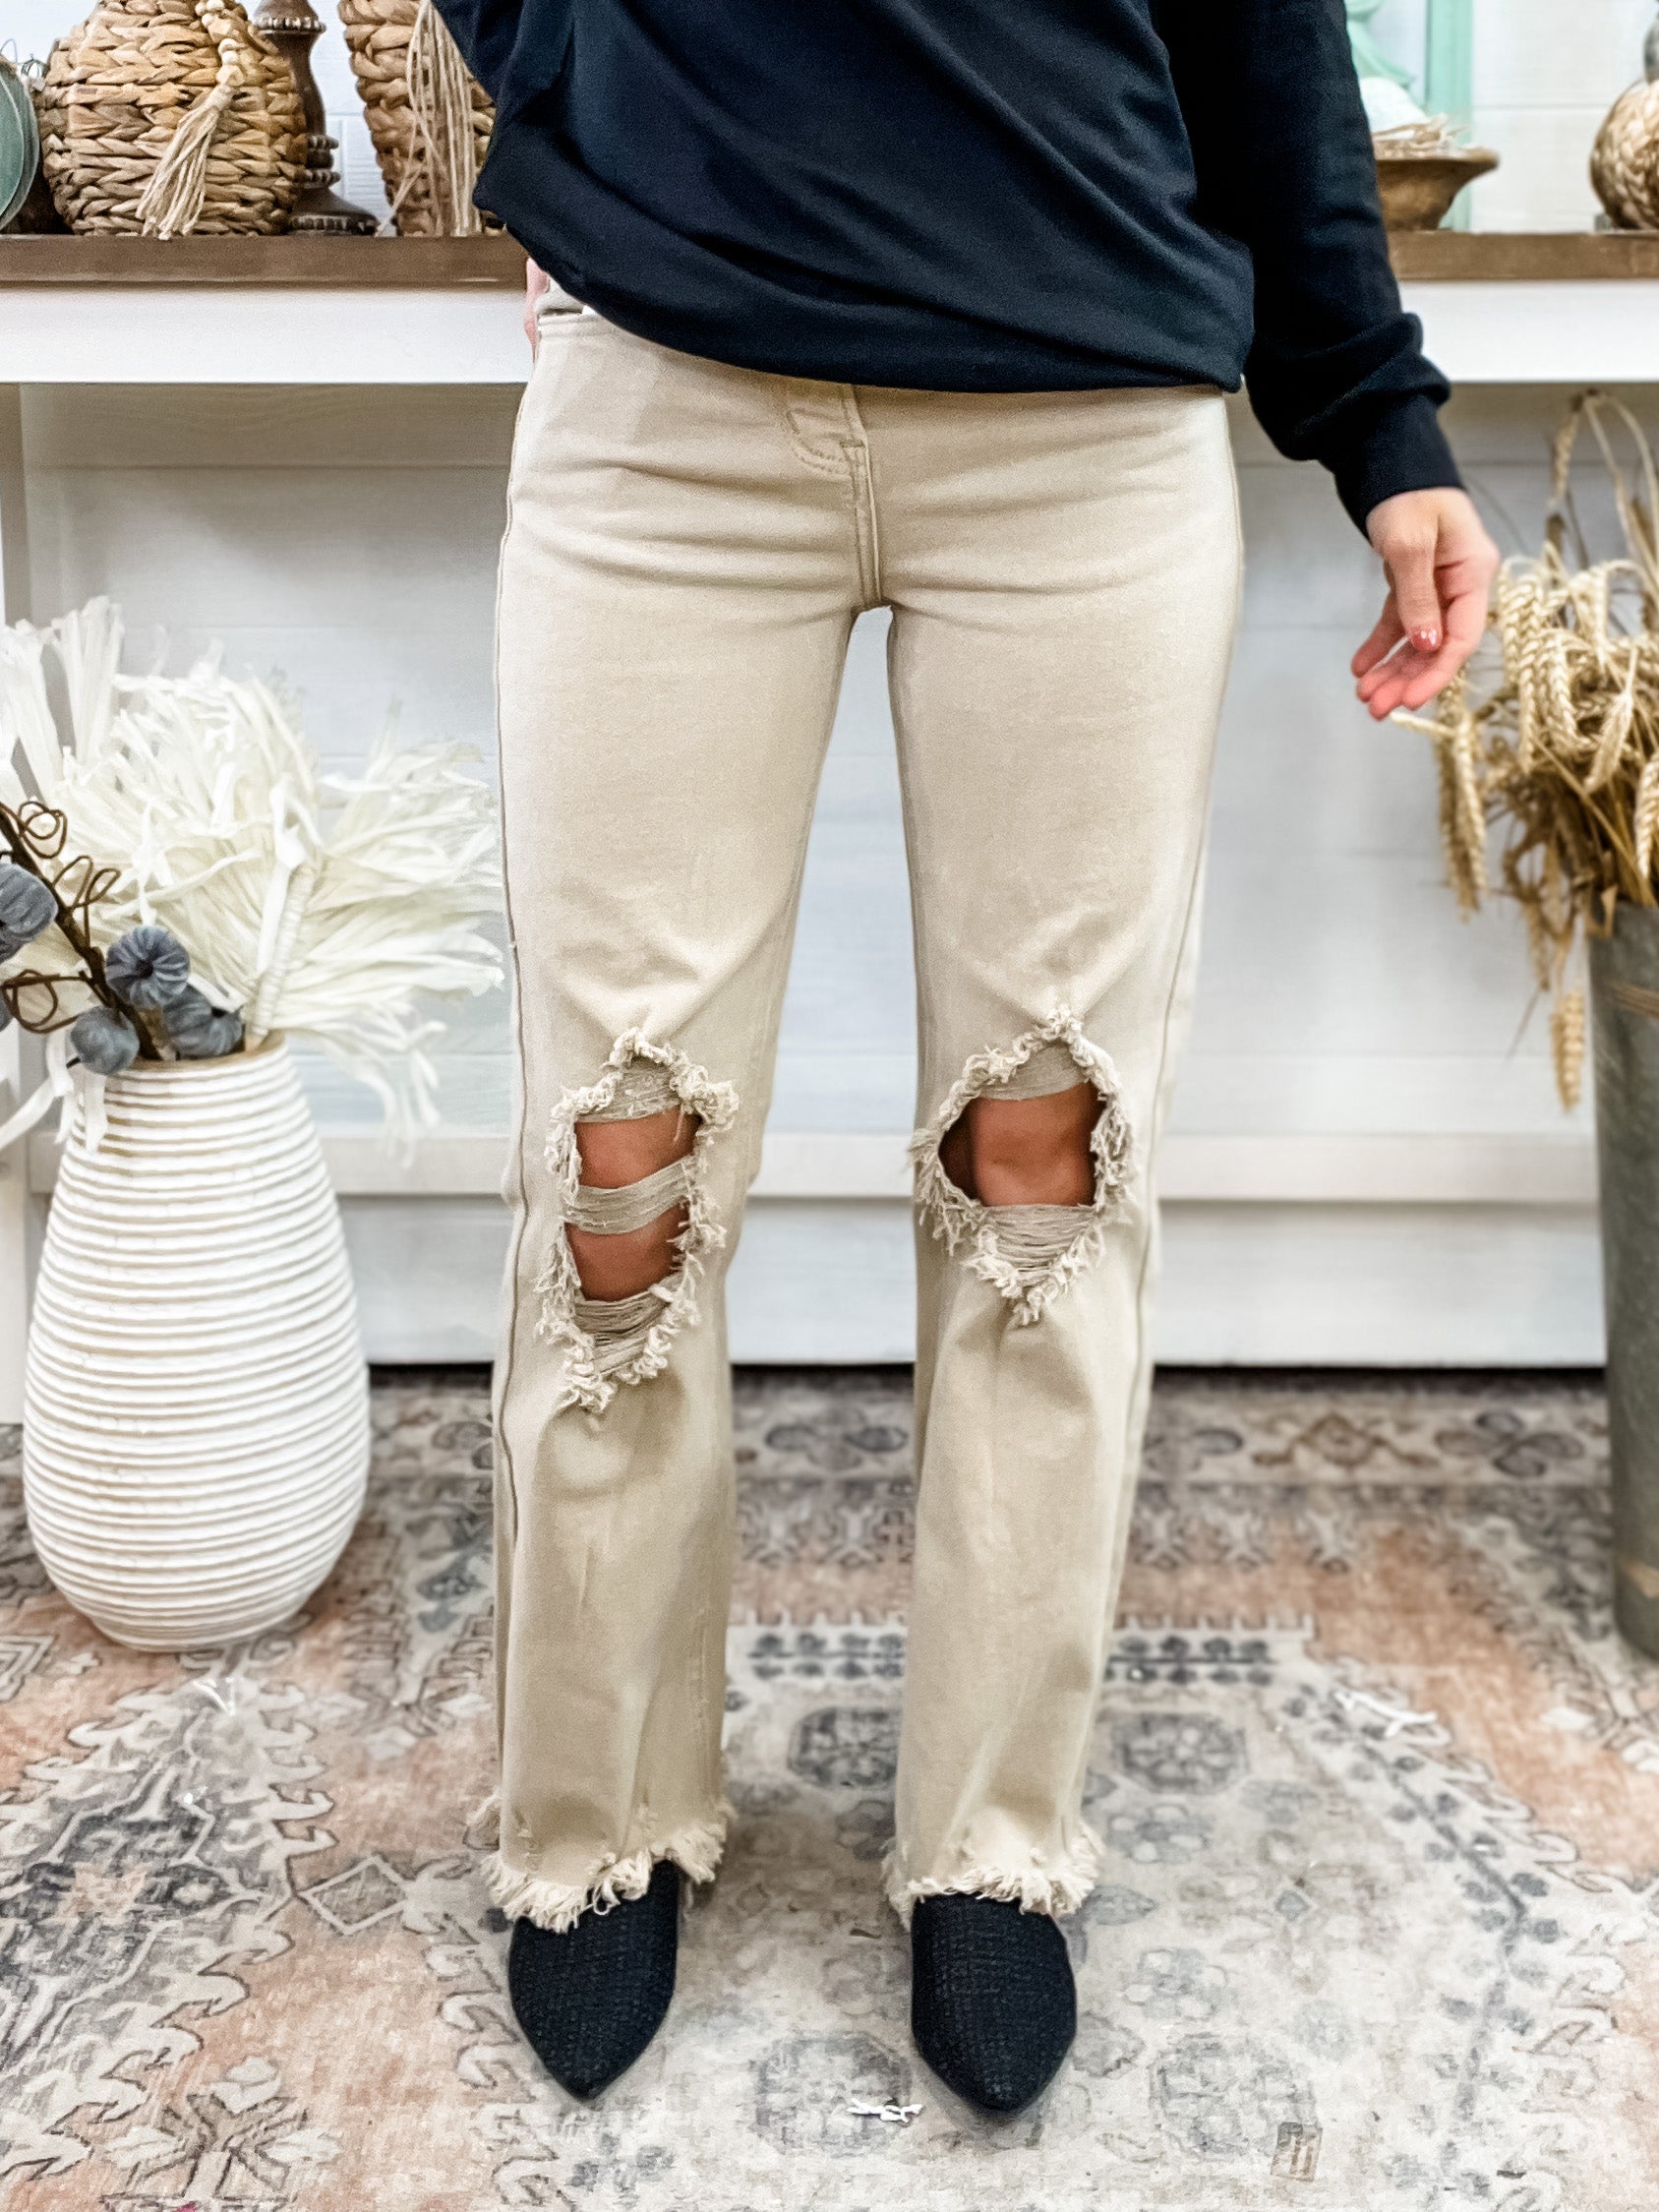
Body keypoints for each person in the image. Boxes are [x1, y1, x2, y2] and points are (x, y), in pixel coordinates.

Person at [434, 0, 1500, 2115]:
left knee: (1049, 1162)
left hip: (1085, 420)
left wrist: (1380, 420)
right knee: (617, 1166)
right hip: (670, 398)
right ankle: (596, 1825)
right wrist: (576, 79)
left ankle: (994, 1842)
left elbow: (1262, 34)